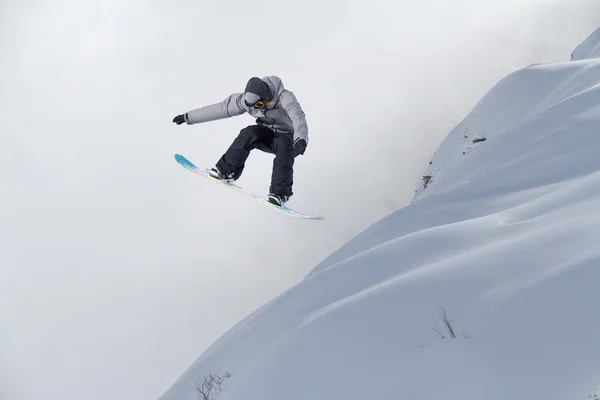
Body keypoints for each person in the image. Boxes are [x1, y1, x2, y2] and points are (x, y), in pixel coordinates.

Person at [172, 76, 308, 206]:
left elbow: (298, 118)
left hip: (290, 138)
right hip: (268, 133)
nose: (262, 107)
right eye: (257, 105)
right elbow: (221, 109)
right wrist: (188, 117)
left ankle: (280, 194)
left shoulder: (285, 98)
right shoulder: (244, 101)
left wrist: (300, 139)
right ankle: (226, 171)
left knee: (283, 145)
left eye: (263, 103)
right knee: (249, 133)